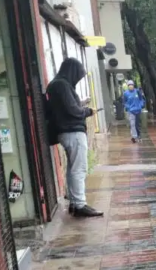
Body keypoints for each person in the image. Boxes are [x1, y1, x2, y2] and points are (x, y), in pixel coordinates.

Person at [46, 58, 103, 218]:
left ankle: (74, 201)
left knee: (72, 169)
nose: (78, 79)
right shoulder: (62, 85)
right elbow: (73, 110)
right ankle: (80, 205)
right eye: (78, 75)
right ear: (72, 71)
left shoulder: (56, 85)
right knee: (79, 169)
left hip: (66, 131)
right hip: (73, 131)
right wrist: (87, 111)